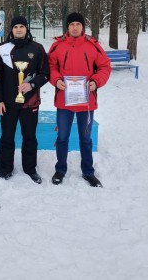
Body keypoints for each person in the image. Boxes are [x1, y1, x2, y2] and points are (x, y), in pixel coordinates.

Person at [48, 12, 111, 187]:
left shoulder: (93, 46)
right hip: (64, 101)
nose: (75, 27)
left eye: (78, 24)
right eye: (71, 24)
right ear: (67, 27)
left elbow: (105, 66)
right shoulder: (57, 46)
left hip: (86, 101)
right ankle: (60, 169)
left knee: (85, 139)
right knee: (62, 137)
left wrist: (96, 82)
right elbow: (51, 66)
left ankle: (88, 172)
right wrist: (57, 80)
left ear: (83, 27)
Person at [0, 16, 49, 184]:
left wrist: (31, 85)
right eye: (16, 26)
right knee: (7, 137)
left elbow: (45, 74)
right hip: (8, 104)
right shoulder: (2, 48)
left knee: (30, 137)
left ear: (27, 29)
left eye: (22, 26)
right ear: (11, 29)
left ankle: (30, 168)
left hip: (30, 103)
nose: (19, 29)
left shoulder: (37, 49)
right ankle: (5, 169)